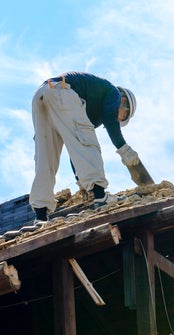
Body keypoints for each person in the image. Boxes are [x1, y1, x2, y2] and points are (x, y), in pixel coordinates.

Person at [29, 71, 139, 223]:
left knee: (46, 157)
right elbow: (108, 123)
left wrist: (81, 182)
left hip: (40, 96)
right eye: (123, 116)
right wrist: (123, 149)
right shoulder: (113, 93)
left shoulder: (85, 110)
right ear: (124, 102)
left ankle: (40, 215)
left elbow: (75, 148)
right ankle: (101, 196)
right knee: (88, 142)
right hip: (62, 92)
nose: (119, 119)